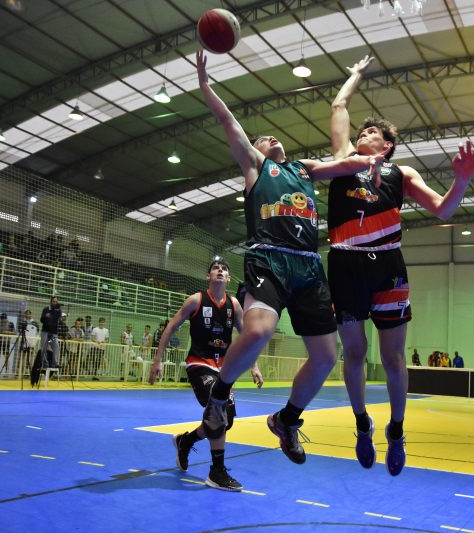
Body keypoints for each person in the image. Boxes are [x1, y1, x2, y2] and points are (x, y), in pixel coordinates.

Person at [195, 49, 392, 466]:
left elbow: (343, 163)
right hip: (268, 257)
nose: (271, 138)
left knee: (326, 357)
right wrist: (206, 86)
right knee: (260, 329)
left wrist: (373, 159)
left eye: (272, 137)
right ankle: (220, 394)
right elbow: (228, 123)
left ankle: (287, 420)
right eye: (264, 137)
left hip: (307, 263)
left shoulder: (304, 169)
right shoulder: (254, 168)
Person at [328, 54, 474, 475]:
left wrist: (462, 180)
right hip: (344, 264)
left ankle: (396, 430)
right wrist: (355, 76)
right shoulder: (344, 160)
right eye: (363, 129)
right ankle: (362, 424)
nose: (364, 132)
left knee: (393, 358)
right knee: (354, 352)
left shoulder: (402, 173)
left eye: (372, 131)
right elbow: (339, 108)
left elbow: (443, 209)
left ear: (387, 145)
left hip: (387, 265)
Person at [150, 259, 263, 491]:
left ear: (229, 279)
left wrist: (255, 366)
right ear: (208, 276)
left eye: (225, 269)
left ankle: (186, 440)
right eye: (216, 268)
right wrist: (158, 359)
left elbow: (246, 337)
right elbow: (171, 327)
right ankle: (216, 471)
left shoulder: (234, 304)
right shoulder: (196, 300)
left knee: (225, 420)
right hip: (199, 364)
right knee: (217, 409)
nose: (220, 271)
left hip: (224, 368)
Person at [39, 296, 61, 370]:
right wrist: (45, 316)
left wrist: (51, 314)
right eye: (53, 301)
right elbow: (41, 320)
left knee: (56, 346)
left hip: (53, 333)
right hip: (45, 331)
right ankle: (45, 363)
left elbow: (55, 319)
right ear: (50, 302)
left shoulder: (58, 311)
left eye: (56, 302)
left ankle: (54, 363)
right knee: (44, 347)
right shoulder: (45, 309)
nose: (55, 303)